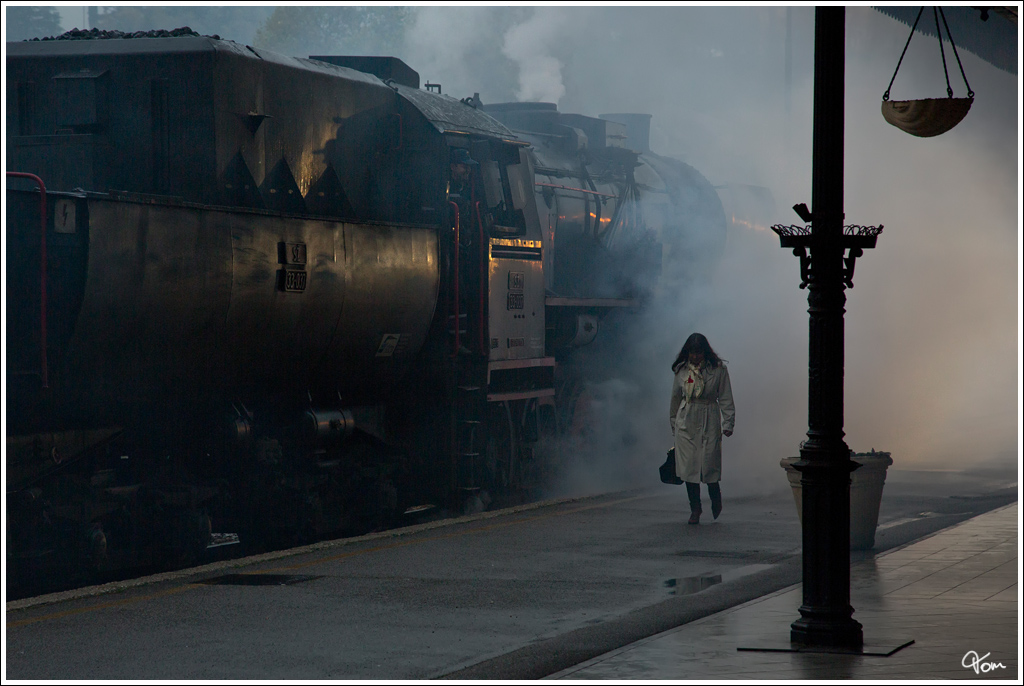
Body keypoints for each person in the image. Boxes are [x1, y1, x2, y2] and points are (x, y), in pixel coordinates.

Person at [669, 333, 735, 525]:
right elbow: (675, 398)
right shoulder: (682, 370)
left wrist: (728, 423)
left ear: (705, 352)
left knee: (709, 462)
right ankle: (695, 508)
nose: (695, 356)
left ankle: (715, 496)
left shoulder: (718, 369)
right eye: (692, 352)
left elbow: (725, 397)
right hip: (687, 419)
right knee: (689, 467)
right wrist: (674, 424)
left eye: (699, 353)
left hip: (709, 416)